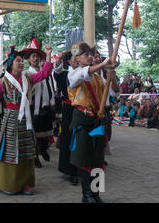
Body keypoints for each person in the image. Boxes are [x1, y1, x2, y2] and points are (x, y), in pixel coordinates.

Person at [0, 44, 54, 195]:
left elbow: (45, 74)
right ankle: (8, 183)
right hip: (11, 119)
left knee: (26, 150)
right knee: (10, 150)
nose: (22, 63)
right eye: (18, 61)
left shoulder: (28, 78)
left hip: (25, 120)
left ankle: (26, 183)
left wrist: (48, 54)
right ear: (11, 64)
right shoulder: (4, 81)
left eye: (22, 61)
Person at [68, 42, 116, 203]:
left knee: (98, 158)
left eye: (91, 54)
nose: (90, 56)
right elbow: (83, 74)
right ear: (77, 58)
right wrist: (103, 63)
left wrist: (112, 74)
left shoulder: (98, 77)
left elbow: (114, 91)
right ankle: (87, 194)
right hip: (83, 121)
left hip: (97, 121)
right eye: (86, 54)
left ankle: (96, 194)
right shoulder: (73, 74)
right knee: (84, 157)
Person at [24, 39, 59, 168]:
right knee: (34, 135)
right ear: (28, 60)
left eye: (38, 56)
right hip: (33, 107)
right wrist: (49, 55)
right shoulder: (27, 74)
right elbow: (45, 73)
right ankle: (35, 157)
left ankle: (43, 149)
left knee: (46, 133)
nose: (36, 59)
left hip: (46, 106)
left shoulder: (45, 73)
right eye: (33, 56)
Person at [54, 51, 79, 185]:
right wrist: (59, 60)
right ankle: (71, 171)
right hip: (69, 110)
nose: (78, 60)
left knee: (81, 138)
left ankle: (82, 168)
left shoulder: (85, 73)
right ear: (69, 61)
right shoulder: (64, 74)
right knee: (69, 138)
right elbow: (56, 73)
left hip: (83, 109)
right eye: (76, 58)